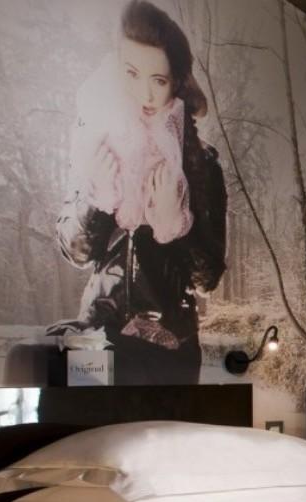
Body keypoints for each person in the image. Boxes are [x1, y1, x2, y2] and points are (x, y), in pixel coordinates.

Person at [54, 0, 226, 384]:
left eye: (158, 80)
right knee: (82, 423)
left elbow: (208, 277)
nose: (144, 93)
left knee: (162, 426)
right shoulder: (95, 143)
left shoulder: (202, 163)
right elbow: (76, 251)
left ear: (176, 83)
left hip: (170, 347)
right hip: (96, 338)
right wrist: (97, 198)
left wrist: (176, 223)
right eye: (132, 73)